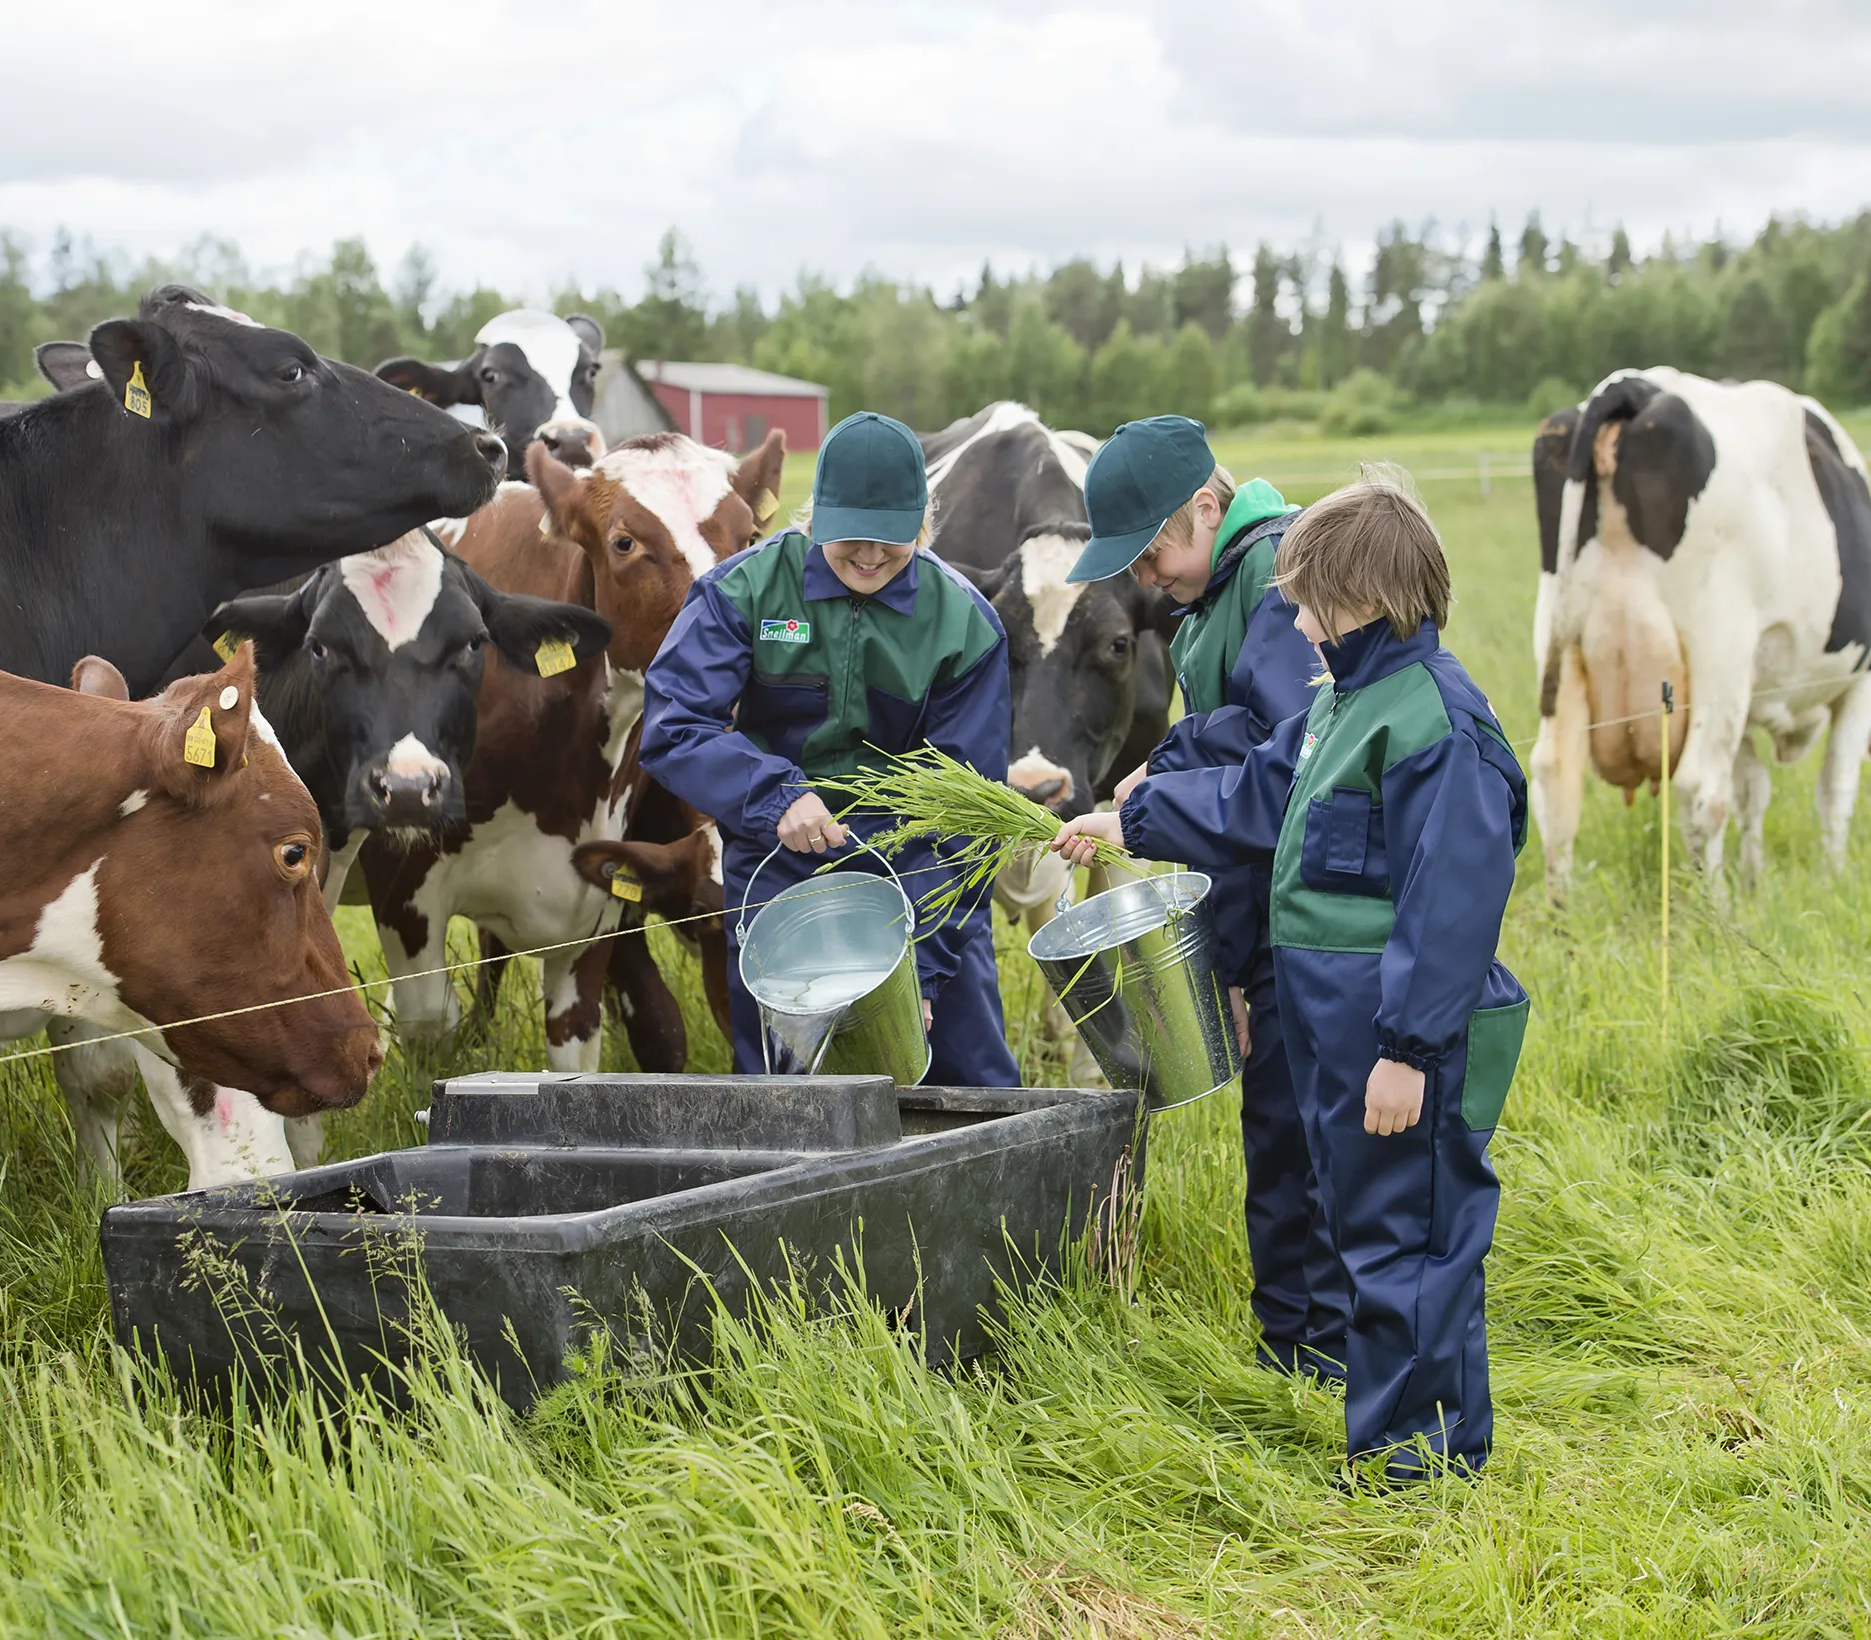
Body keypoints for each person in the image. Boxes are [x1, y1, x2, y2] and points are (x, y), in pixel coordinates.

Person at [1054, 471, 1530, 1480]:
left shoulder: (1434, 723)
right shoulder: (1339, 709)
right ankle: (1392, 1441)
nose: (1299, 625)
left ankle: (1425, 1469)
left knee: (1414, 1238)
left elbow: (1449, 908)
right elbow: (1256, 793)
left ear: (1362, 599)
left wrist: (1406, 1051)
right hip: (1333, 1032)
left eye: (1309, 603)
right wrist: (1127, 818)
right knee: (1366, 1231)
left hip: (1395, 1041)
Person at [1066, 415, 1350, 1381]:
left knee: (1310, 1139)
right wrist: (1166, 768)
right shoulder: (1216, 596)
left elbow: (1297, 773)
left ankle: (1326, 1355)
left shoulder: (1279, 587)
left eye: (1155, 550)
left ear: (1207, 505)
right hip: (1275, 917)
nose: (1148, 577)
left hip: (1326, 916)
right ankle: (1299, 1348)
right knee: (1282, 1135)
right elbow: (1235, 732)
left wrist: (1144, 819)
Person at [641, 411, 1019, 1085]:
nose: (870, 557)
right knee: (790, 1096)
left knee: (971, 1085)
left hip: (918, 873)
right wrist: (773, 796)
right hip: (782, 866)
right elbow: (675, 726)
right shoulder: (743, 591)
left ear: (923, 525)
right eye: (852, 540)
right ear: (814, 518)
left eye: (891, 542)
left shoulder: (965, 624)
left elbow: (970, 814)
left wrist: (923, 967)